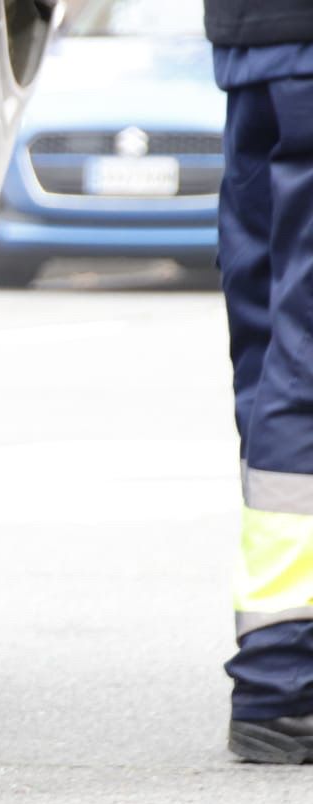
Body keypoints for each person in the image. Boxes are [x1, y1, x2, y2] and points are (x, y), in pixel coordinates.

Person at [207, 0, 313, 762]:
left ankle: (280, 656)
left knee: (273, 352)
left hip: (255, 44)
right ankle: (283, 675)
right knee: (297, 361)